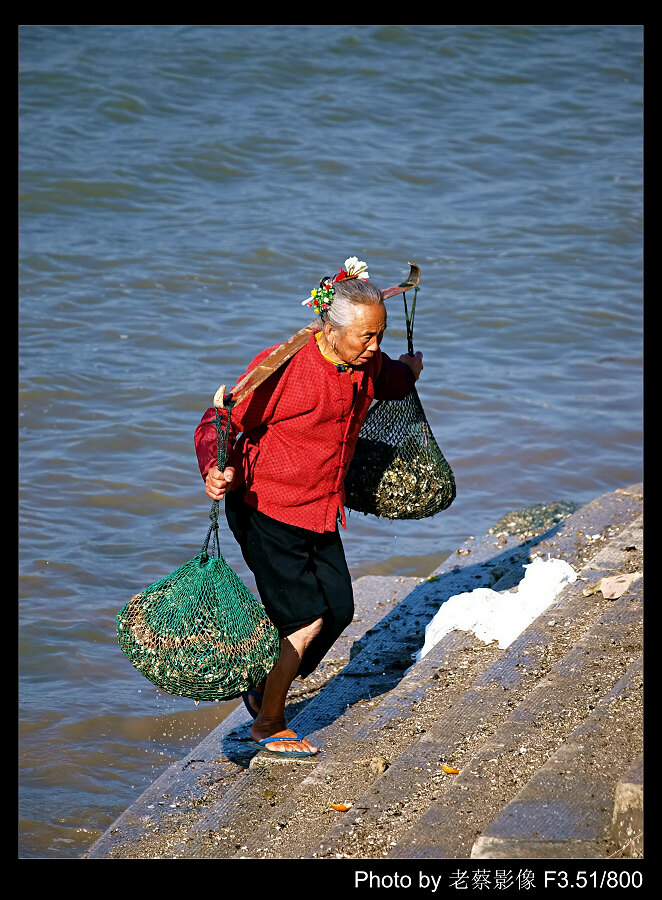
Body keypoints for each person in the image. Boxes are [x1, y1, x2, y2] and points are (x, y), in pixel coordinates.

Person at [194, 258, 423, 757]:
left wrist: (408, 371)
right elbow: (219, 421)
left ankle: (262, 686)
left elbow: (388, 381)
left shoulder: (366, 361)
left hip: (320, 509)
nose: (375, 347)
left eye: (380, 335)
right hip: (265, 507)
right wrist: (215, 468)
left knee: (339, 609)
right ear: (329, 327)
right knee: (304, 620)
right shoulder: (284, 367)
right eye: (365, 337)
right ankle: (268, 723)